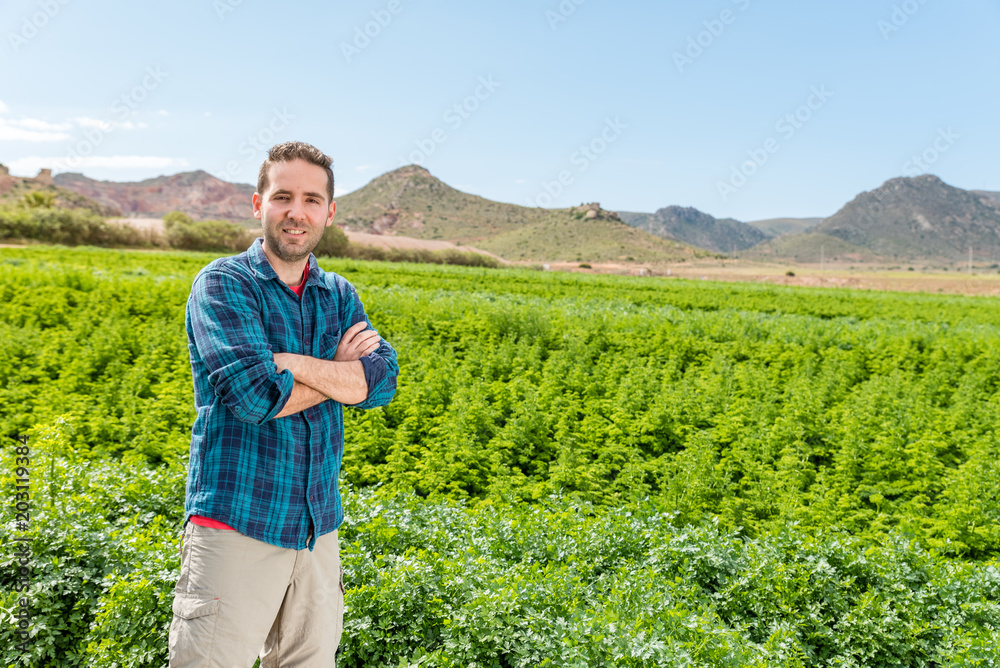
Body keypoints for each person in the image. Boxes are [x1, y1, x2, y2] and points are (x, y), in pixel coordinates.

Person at [168, 141, 398, 667]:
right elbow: (255, 396)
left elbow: (381, 381)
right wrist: (341, 372)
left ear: (329, 212)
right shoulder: (225, 284)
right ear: (259, 204)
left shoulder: (338, 294)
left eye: (312, 199)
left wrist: (289, 362)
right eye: (283, 197)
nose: (297, 212)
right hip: (237, 525)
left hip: (318, 530)